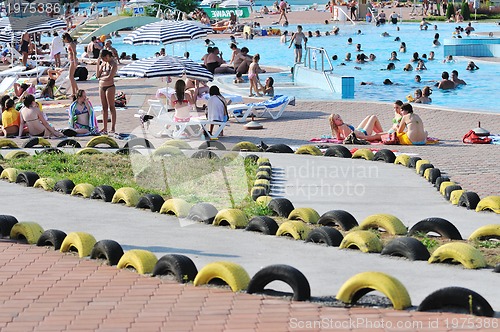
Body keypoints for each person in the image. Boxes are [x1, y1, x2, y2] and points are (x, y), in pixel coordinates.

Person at [96, 49, 118, 134]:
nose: (103, 60)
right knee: (104, 107)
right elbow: (97, 75)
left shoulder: (113, 64)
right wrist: (98, 64)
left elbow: (109, 77)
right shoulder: (103, 64)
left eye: (104, 58)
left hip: (110, 87)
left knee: (111, 107)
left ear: (108, 56)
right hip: (102, 87)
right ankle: (104, 128)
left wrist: (101, 78)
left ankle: (112, 127)